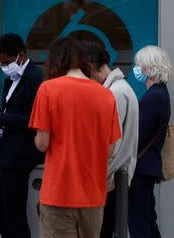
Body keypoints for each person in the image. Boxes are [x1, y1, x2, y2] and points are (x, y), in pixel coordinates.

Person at [29, 37, 121, 238]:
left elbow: (42, 144)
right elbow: (110, 150)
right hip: (93, 197)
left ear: (56, 61)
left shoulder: (48, 89)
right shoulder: (106, 95)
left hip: (58, 193)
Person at [0, 33, 45, 238]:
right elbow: (12, 112)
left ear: (21, 56)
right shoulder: (11, 79)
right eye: (0, 63)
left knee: (14, 216)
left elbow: (33, 120)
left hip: (19, 157)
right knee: (0, 215)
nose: (5, 67)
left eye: (7, 62)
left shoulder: (36, 79)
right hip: (2, 154)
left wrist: (1, 118)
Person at [85, 41, 139, 238]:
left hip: (111, 177)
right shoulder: (121, 88)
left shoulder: (114, 93)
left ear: (90, 67)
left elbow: (110, 143)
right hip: (116, 176)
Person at [128, 45, 174, 238]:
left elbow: (138, 135)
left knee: (139, 223)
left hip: (141, 169)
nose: (137, 69)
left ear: (149, 68)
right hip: (147, 168)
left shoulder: (154, 96)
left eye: (139, 65)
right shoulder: (160, 93)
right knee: (147, 221)